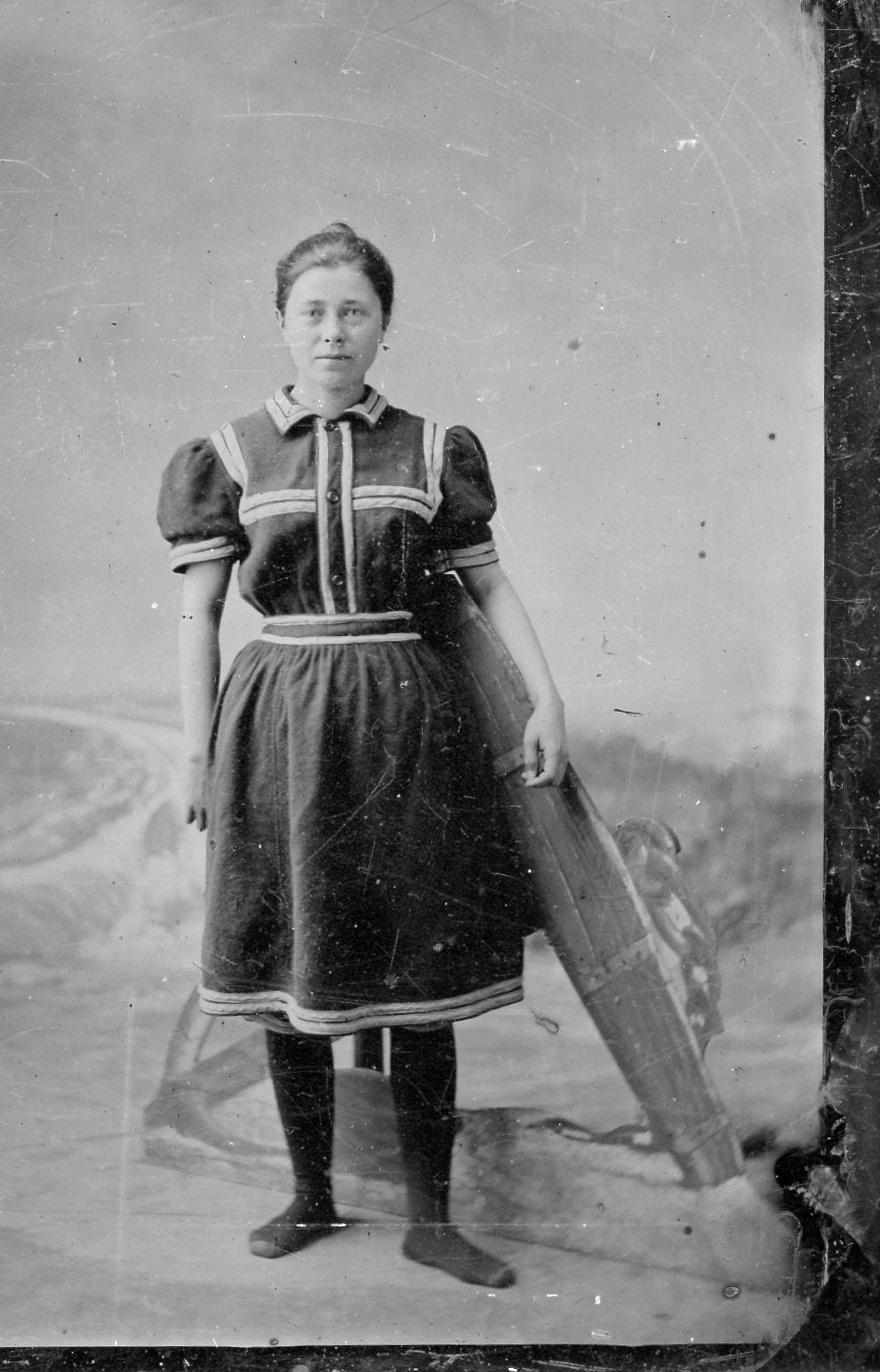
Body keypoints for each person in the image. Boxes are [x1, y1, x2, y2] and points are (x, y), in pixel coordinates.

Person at [157, 223, 567, 1289]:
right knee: (291, 963)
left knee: (419, 967)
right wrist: (195, 755)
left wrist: (549, 700)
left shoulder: (433, 450)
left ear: (384, 326)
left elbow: (490, 584)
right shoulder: (232, 454)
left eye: (355, 312)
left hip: (409, 725)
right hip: (280, 725)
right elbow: (200, 621)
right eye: (313, 312)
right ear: (282, 323)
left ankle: (432, 1219)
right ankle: (312, 1196)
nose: (333, 331)